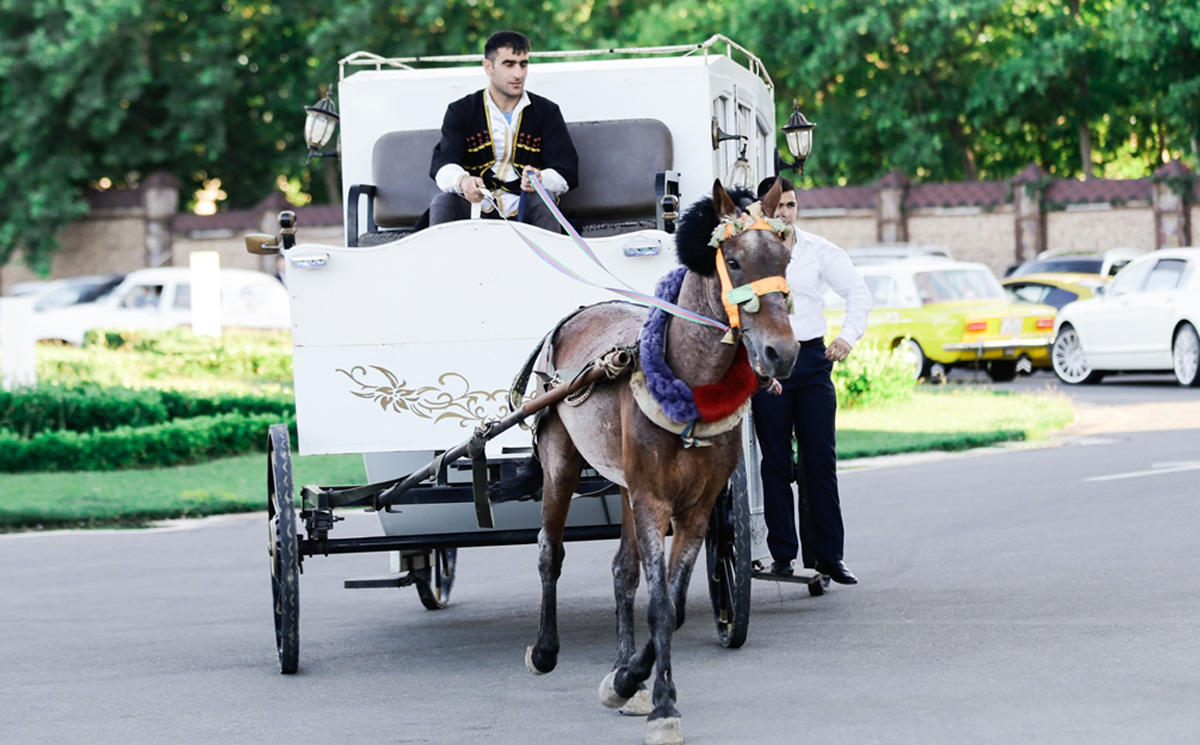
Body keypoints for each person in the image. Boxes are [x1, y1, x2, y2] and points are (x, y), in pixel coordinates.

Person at [753, 176, 872, 585]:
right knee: (777, 462)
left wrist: (847, 337)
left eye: (790, 204)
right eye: (776, 206)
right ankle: (783, 555)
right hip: (769, 365)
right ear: (762, 210)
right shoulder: (751, 253)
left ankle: (828, 557)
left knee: (819, 459)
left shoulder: (819, 251)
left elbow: (858, 292)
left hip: (812, 360)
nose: (784, 212)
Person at [427, 31, 579, 232]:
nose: (518, 74)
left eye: (523, 64)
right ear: (488, 66)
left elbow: (566, 170)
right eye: (509, 64)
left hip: (525, 205)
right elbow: (443, 165)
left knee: (544, 199)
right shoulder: (461, 110)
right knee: (443, 203)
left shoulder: (547, 111)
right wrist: (463, 181)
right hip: (477, 206)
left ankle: (549, 263)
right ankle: (440, 263)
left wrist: (541, 179)